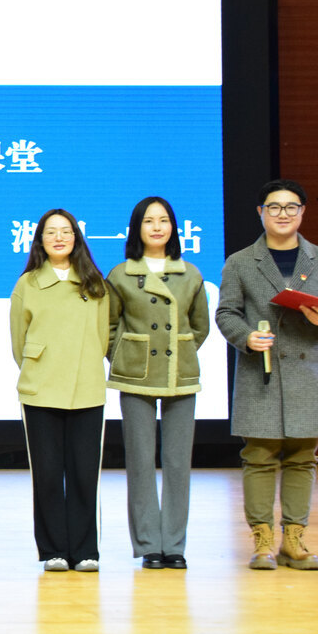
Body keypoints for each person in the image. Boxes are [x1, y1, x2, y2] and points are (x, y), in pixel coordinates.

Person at [216, 178, 318, 571]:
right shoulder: (241, 261)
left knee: (302, 457)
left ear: (302, 212)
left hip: (307, 370)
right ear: (261, 213)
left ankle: (294, 540)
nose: (283, 214)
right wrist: (246, 337)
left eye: (291, 207)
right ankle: (262, 541)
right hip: (261, 369)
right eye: (274, 207)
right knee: (258, 456)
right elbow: (226, 312)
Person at [106, 197, 210, 570]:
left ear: (173, 228)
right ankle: (150, 544)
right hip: (136, 375)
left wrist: (178, 351)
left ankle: (175, 545)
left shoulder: (190, 273)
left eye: (163, 220)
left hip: (179, 373)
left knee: (178, 462)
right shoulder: (121, 274)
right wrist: (127, 353)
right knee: (139, 460)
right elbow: (109, 326)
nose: (156, 227)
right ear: (137, 228)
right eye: (148, 221)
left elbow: (200, 327)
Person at [10, 208, 109, 573]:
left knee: (84, 473)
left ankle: (85, 550)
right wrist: (42, 367)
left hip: (87, 388)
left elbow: (102, 336)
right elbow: (19, 341)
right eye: (50, 232)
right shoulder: (28, 284)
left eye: (65, 231)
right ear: (40, 240)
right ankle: (53, 549)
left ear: (76, 238)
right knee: (48, 473)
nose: (59, 237)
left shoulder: (95, 283)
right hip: (40, 389)